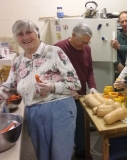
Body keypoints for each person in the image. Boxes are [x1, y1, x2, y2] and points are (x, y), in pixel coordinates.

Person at [0, 19, 81, 160]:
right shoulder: (18, 61)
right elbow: (8, 87)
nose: (25, 37)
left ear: (37, 33)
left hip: (59, 109)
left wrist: (53, 86)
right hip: (33, 113)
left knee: (60, 155)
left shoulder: (54, 52)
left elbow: (75, 83)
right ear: (16, 38)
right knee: (42, 156)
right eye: (20, 34)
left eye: (29, 32)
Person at [54, 22, 97, 158]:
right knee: (65, 129)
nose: (84, 46)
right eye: (83, 42)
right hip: (63, 98)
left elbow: (89, 70)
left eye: (87, 43)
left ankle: (81, 153)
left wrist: (93, 87)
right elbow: (52, 75)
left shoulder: (87, 49)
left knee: (81, 128)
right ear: (73, 35)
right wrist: (68, 90)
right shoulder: (58, 48)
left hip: (80, 95)